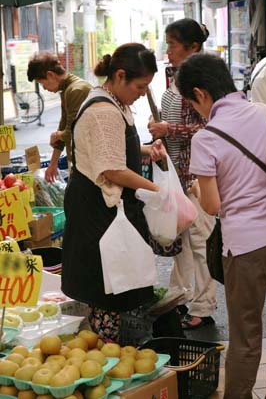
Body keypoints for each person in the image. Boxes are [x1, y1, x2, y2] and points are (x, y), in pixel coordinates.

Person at [175, 52, 266, 399]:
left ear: (201, 94)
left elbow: (213, 205)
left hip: (248, 248)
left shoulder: (206, 138)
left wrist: (195, 188)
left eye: (192, 103)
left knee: (246, 336)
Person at [61, 43, 161, 343]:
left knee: (115, 283)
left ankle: (109, 348)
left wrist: (144, 151)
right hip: (97, 212)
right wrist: (158, 190)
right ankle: (106, 352)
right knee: (106, 289)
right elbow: (112, 169)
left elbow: (111, 151)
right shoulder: (104, 110)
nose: (142, 93)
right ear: (119, 76)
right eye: (140, 86)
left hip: (103, 207)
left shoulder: (115, 102)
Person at [148, 18, 217, 330]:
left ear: (192, 47)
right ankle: (179, 297)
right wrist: (159, 132)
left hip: (196, 176)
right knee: (182, 241)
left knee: (200, 240)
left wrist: (168, 128)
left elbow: (210, 126)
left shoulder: (203, 79)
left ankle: (204, 305)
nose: (168, 50)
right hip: (174, 172)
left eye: (173, 44)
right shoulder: (173, 76)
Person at [27, 53, 92, 182]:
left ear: (50, 75)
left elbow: (73, 133)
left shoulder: (76, 91)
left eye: (41, 83)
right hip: (79, 161)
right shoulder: (68, 89)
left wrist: (57, 135)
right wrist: (53, 164)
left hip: (87, 163)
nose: (44, 88)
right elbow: (64, 126)